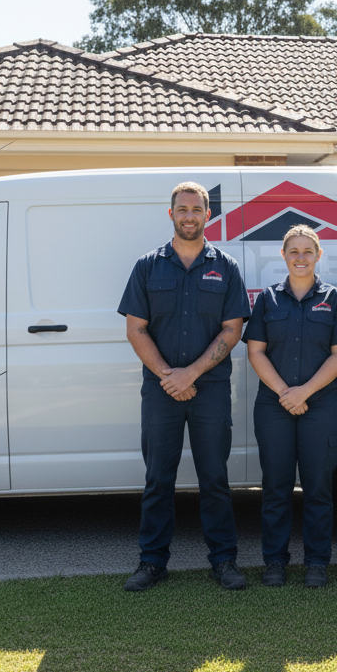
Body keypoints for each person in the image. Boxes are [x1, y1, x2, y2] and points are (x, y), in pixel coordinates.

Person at [117, 182, 251, 591]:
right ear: (171, 213)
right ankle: (152, 562)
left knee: (215, 479)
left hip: (210, 390)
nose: (189, 216)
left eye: (196, 209)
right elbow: (136, 330)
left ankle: (224, 561)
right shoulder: (147, 266)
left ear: (208, 215)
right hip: (161, 391)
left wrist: (189, 374)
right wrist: (169, 376)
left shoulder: (226, 267)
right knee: (159, 479)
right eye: (182, 209)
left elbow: (232, 330)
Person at [244, 226, 337, 588]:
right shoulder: (268, 300)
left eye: (308, 251)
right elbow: (255, 351)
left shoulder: (334, 299)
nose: (300, 257)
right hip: (274, 405)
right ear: (283, 255)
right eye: (293, 251)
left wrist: (304, 392)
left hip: (320, 405)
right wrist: (285, 393)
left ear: (318, 255)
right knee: (275, 487)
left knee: (318, 487)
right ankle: (275, 562)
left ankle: (317, 562)